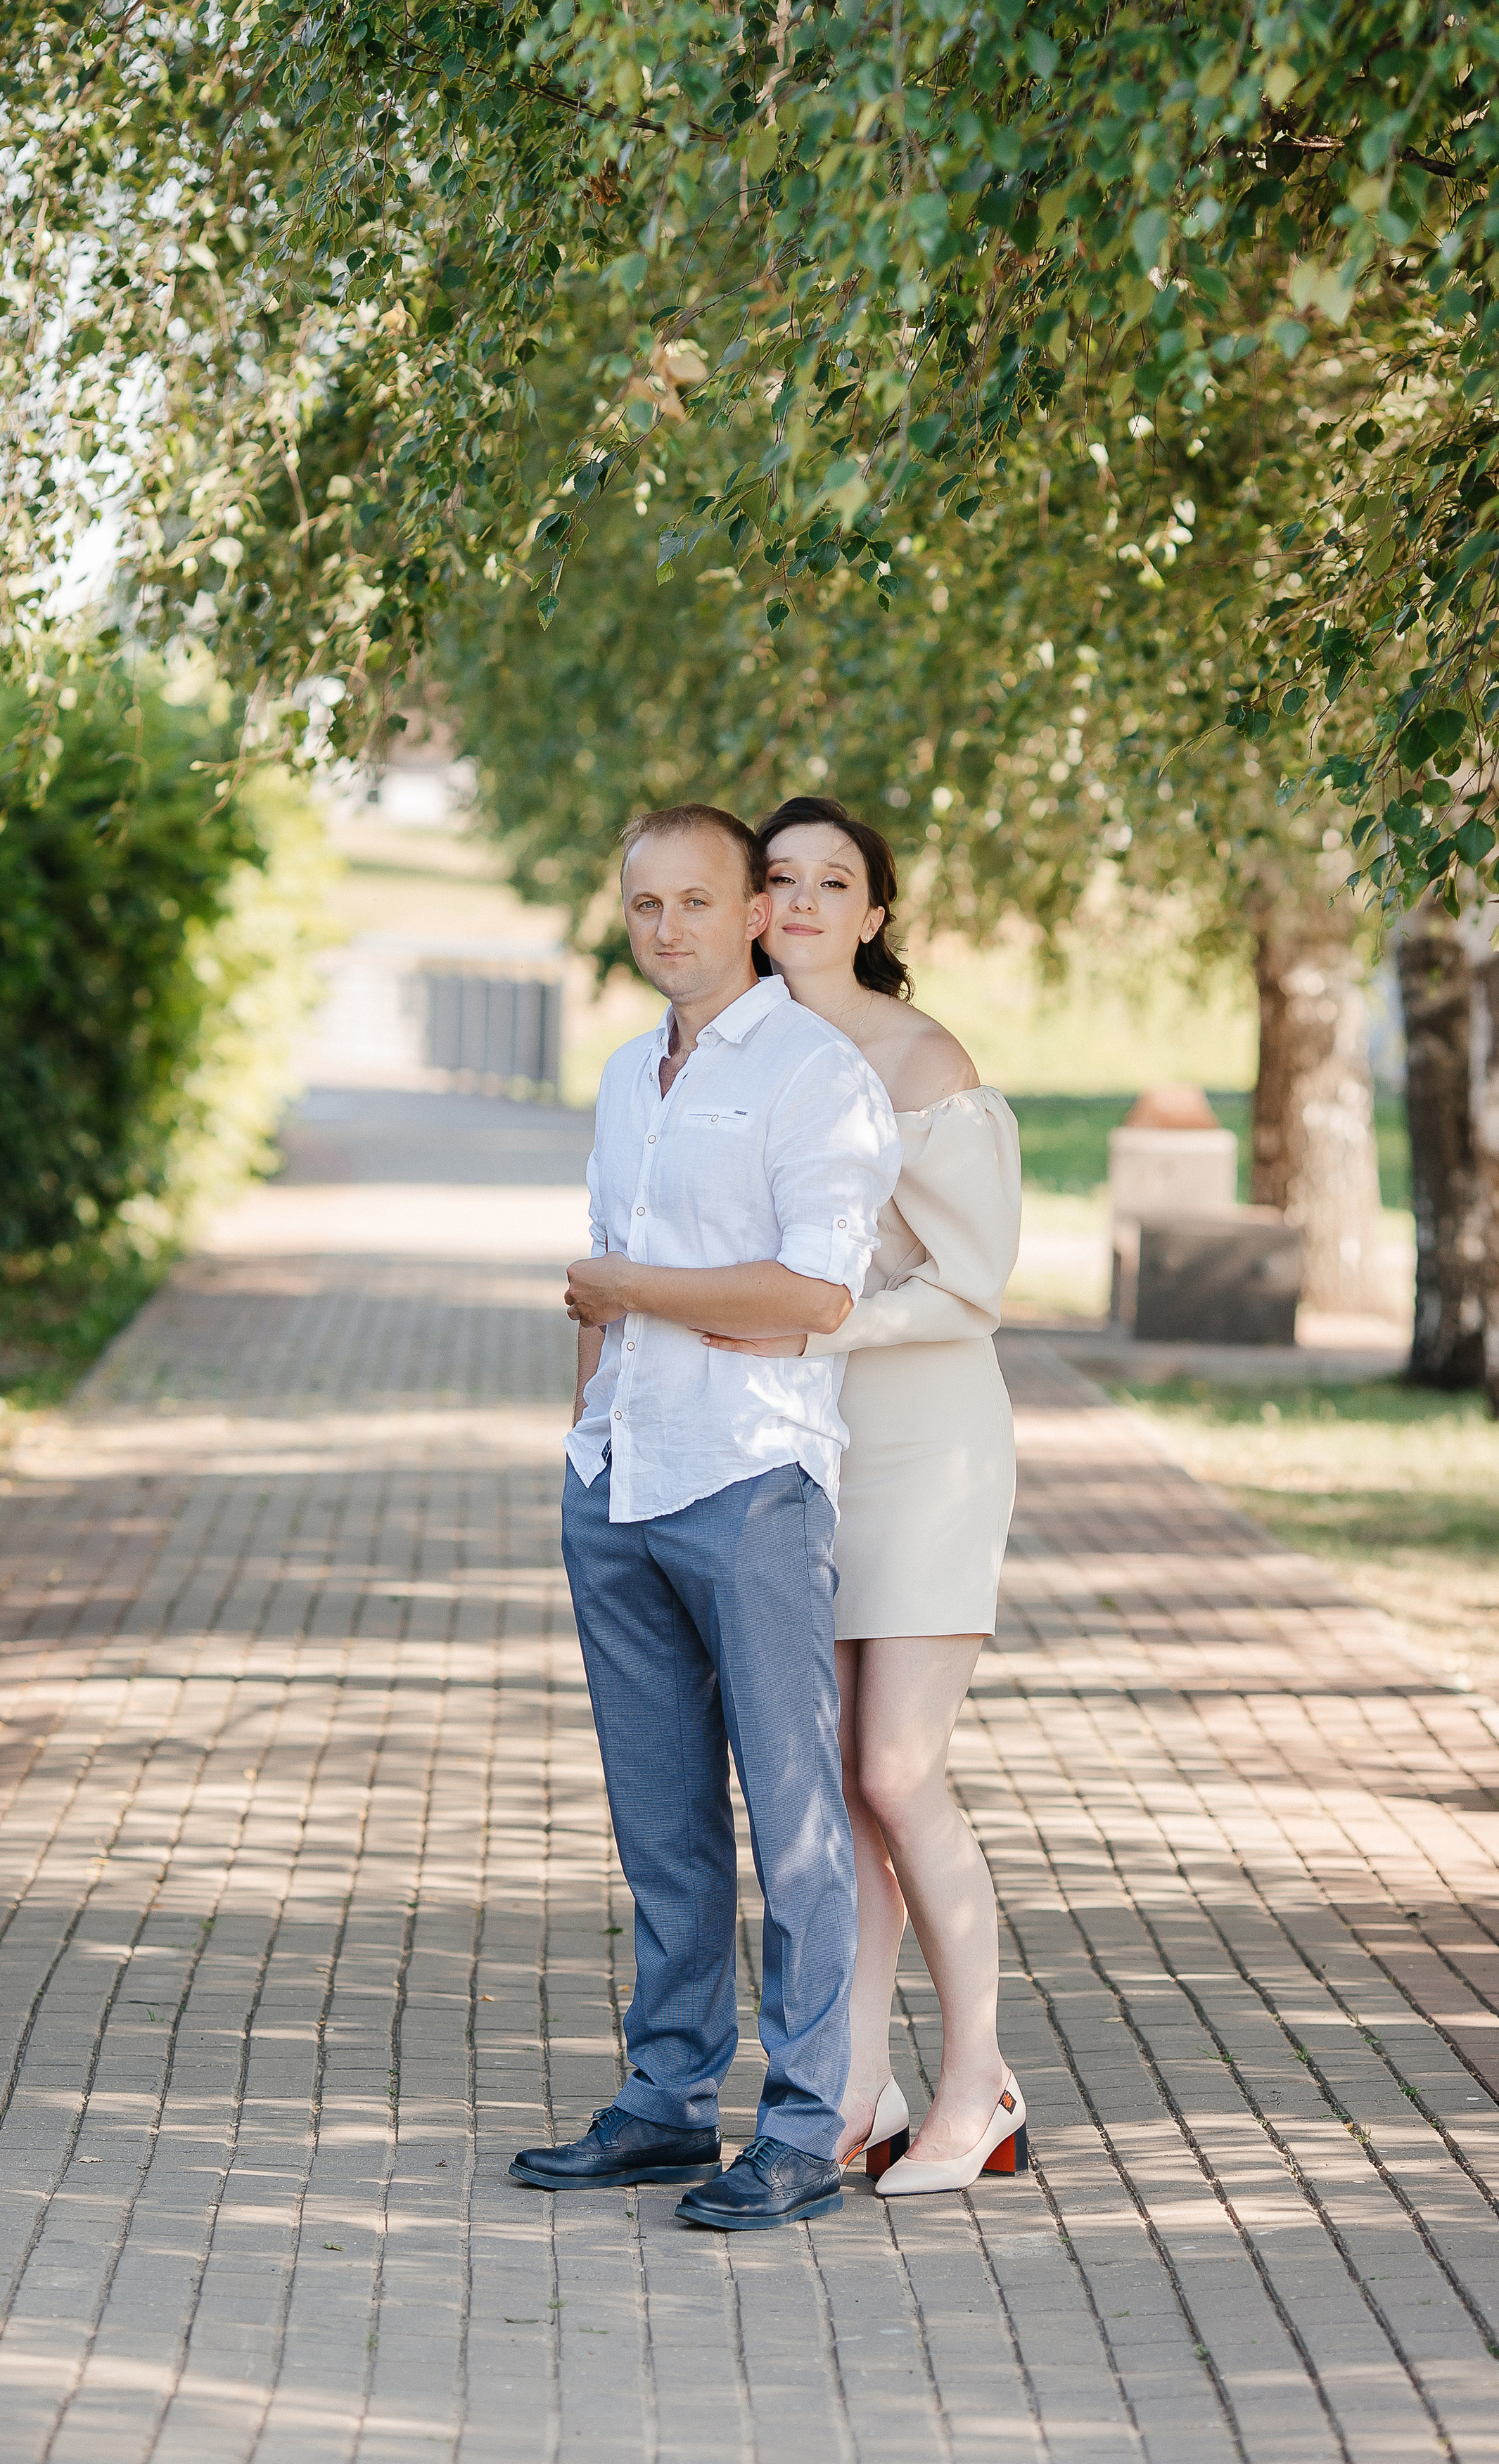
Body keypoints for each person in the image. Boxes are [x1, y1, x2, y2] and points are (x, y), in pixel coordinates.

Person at [509, 804, 900, 2231]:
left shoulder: (814, 1077)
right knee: (659, 1822)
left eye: (694, 902)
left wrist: (632, 1292)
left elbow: (809, 1300)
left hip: (747, 1482)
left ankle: (802, 2130)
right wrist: (584, 1428)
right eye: (642, 907)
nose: (665, 928)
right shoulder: (626, 1076)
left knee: (794, 1820)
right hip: (621, 1476)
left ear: (752, 913)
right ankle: (663, 2105)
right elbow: (603, 1279)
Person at [704, 795, 1025, 2197]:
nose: (805, 903)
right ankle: (847, 2087)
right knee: (830, 1793)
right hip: (795, 1449)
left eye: (836, 881)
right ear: (751, 904)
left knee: (898, 1772)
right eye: (779, 880)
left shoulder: (921, 1059)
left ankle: (978, 2087)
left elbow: (970, 1289)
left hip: (926, 1447)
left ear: (874, 913)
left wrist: (811, 1322)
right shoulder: (740, 1056)